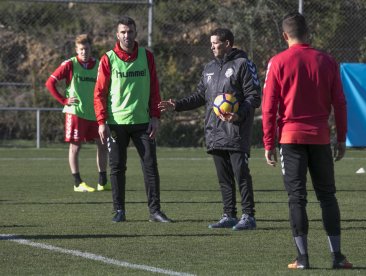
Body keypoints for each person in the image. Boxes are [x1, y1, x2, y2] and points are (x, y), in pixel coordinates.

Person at [262, 12, 352, 269]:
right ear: (308, 33)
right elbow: (340, 103)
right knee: (327, 196)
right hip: (321, 137)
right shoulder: (327, 61)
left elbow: (269, 107)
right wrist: (342, 138)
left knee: (296, 198)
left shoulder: (278, 61)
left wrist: (268, 142)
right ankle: (337, 257)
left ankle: (303, 259)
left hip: (290, 139)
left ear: (284, 35)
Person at [159, 28, 261, 231]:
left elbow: (254, 96)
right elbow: (199, 97)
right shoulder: (209, 68)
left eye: (216, 42)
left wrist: (238, 114)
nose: (212, 46)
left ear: (228, 43)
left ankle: (248, 216)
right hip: (214, 131)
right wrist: (177, 105)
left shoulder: (243, 64)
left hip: (235, 129)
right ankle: (229, 215)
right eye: (211, 43)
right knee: (224, 177)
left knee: (241, 173)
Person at [94, 16, 171, 223]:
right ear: (117, 35)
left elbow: (154, 88)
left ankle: (155, 211)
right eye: (123, 32)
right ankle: (119, 211)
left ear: (136, 33)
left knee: (150, 165)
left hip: (143, 122)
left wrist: (155, 116)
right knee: (117, 167)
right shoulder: (108, 59)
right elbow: (99, 93)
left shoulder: (147, 56)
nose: (127, 35)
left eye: (130, 32)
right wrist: (101, 122)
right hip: (116, 124)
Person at [45, 34, 109, 193]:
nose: (84, 52)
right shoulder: (70, 64)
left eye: (86, 49)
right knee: (75, 147)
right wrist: (63, 100)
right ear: (76, 50)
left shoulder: (99, 65)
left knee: (102, 145)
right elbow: (50, 83)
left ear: (90, 49)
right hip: (76, 113)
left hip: (94, 113)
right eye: (81, 49)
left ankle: (102, 181)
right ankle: (77, 182)